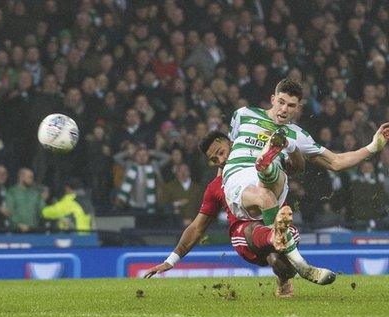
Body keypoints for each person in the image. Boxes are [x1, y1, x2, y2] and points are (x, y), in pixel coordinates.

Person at [223, 78, 389, 283]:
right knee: (270, 181)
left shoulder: (299, 134)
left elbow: (336, 162)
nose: (284, 109)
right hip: (238, 177)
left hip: (269, 188)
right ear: (272, 99)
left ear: (298, 108)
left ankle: (267, 163)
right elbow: (227, 153)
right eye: (281, 102)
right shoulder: (243, 114)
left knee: (271, 184)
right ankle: (303, 267)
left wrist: (373, 146)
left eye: (291, 105)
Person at [144, 131, 328, 296]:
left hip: (278, 224)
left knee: (278, 261)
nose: (221, 160)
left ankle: (284, 277)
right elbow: (198, 226)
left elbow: (299, 166)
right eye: (215, 159)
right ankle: (278, 238)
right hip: (246, 236)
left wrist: (291, 145)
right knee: (252, 227)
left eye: (221, 152)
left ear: (232, 142)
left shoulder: (261, 158)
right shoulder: (216, 186)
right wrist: (171, 260)